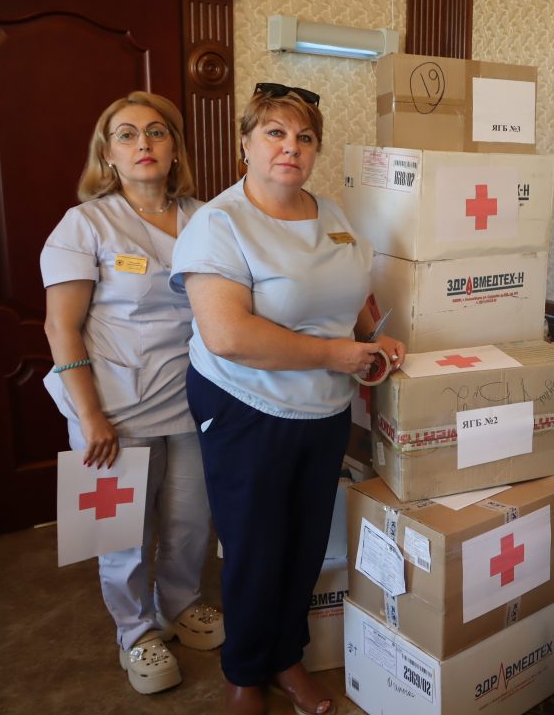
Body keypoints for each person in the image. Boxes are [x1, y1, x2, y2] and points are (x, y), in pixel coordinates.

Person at [170, 82, 405, 715]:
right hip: (246, 405)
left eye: (305, 137)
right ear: (245, 143)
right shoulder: (218, 224)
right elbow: (228, 336)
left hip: (323, 409)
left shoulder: (331, 214)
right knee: (255, 546)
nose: (290, 147)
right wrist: (335, 355)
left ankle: (286, 657)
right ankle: (245, 673)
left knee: (303, 542)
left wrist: (373, 339)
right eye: (274, 133)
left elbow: (351, 291)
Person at [41, 91, 223, 695]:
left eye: (156, 132)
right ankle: (135, 631)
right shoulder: (84, 224)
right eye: (126, 134)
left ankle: (181, 603)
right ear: (108, 154)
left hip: (193, 398)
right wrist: (90, 414)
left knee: (190, 520)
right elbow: (61, 327)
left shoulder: (208, 218)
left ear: (175, 149)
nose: (143, 143)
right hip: (112, 406)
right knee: (119, 533)